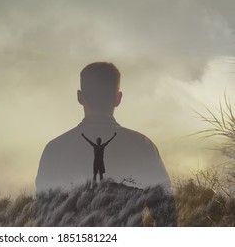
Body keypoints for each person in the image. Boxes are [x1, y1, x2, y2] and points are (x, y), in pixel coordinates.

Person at [36, 62, 172, 192]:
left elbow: (43, 213)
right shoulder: (144, 147)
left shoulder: (55, 150)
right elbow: (166, 213)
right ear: (118, 98)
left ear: (80, 97)